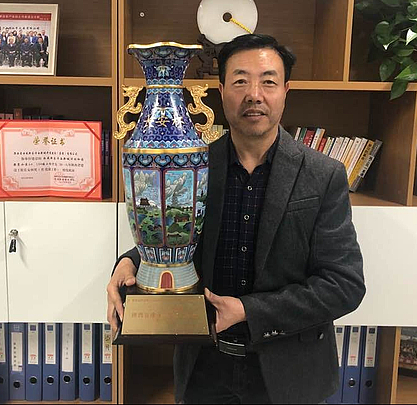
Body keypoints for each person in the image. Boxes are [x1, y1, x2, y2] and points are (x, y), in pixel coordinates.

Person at [106, 34, 366, 404]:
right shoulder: (193, 164)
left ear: (286, 91)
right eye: (240, 81)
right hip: (204, 368)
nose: (254, 94)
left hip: (287, 374)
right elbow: (179, 232)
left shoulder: (323, 175)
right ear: (221, 90)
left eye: (268, 82)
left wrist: (248, 311)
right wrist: (130, 262)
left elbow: (344, 285)